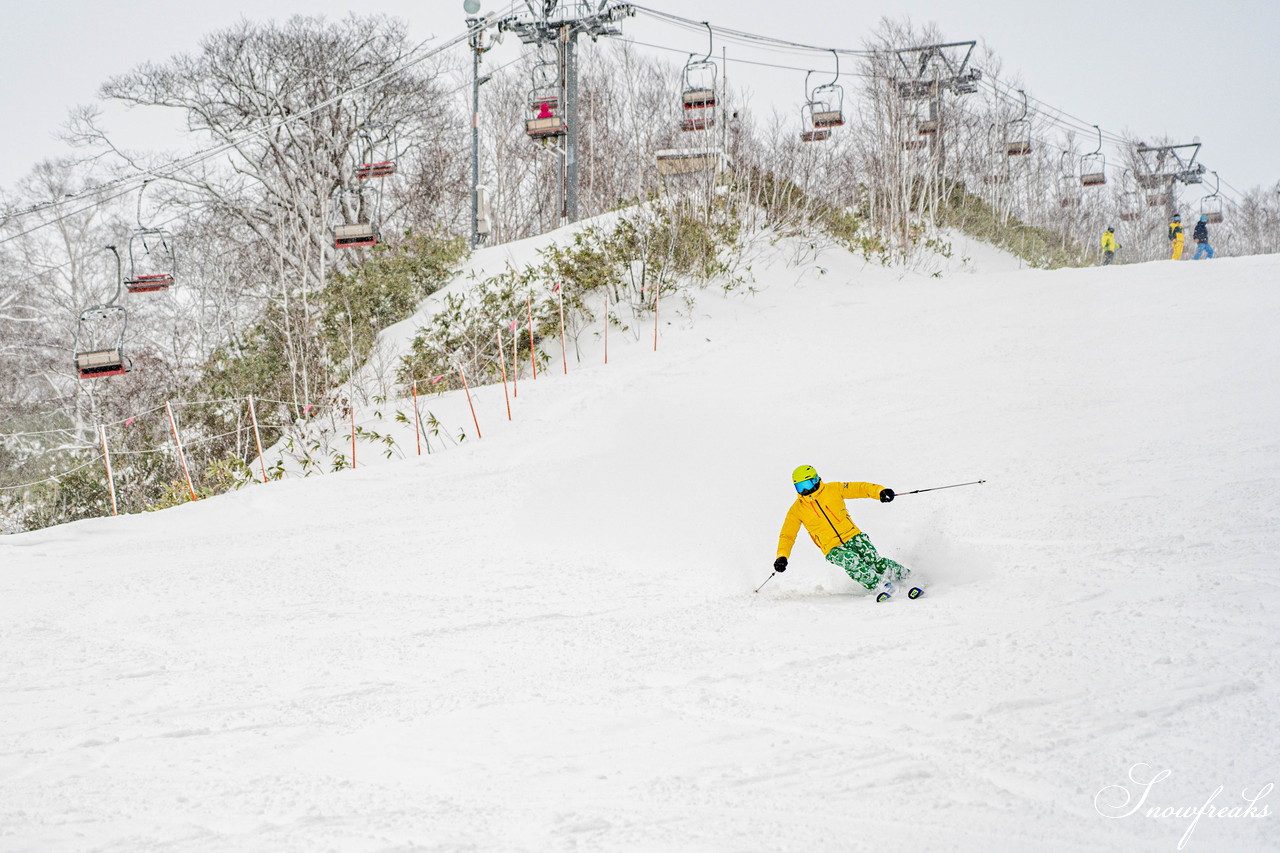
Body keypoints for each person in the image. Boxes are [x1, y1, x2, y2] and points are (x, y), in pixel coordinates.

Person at [772, 465, 920, 600]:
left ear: (816, 479)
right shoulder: (797, 510)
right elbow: (787, 535)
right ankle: (880, 585)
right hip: (832, 548)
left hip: (854, 535)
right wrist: (782, 556)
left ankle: (909, 577)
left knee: (874, 561)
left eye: (807, 484)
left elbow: (859, 488)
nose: (805, 490)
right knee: (851, 560)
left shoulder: (833, 489)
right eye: (800, 487)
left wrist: (879, 492)